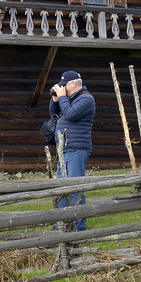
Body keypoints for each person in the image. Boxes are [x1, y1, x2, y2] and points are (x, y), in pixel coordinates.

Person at [48, 70, 96, 231]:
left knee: (75, 189)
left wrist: (62, 98)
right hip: (65, 150)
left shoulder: (86, 99)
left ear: (72, 84)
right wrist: (55, 100)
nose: (63, 89)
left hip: (77, 149)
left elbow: (71, 114)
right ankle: (62, 224)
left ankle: (79, 227)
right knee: (62, 189)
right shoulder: (69, 100)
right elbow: (55, 115)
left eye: (64, 86)